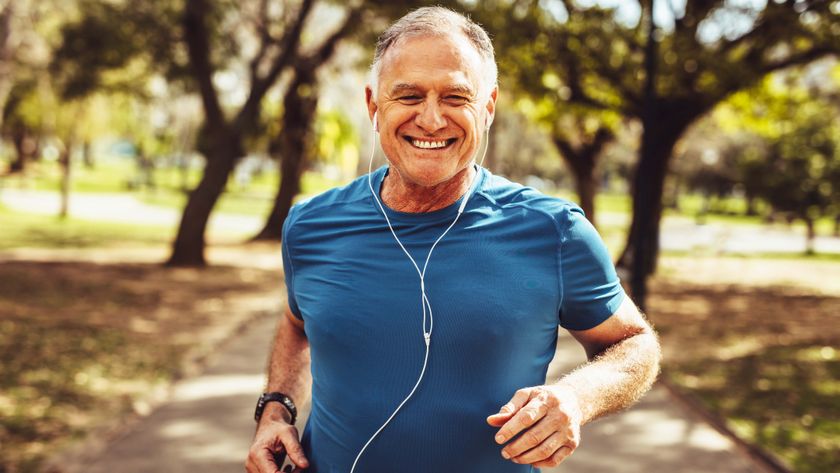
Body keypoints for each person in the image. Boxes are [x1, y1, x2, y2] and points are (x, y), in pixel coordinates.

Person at [246, 6, 660, 473]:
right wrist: (275, 410)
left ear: (487, 108)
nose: (430, 119)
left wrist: (576, 397)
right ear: (373, 105)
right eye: (408, 95)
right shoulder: (310, 226)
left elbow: (635, 344)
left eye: (455, 97)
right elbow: (297, 323)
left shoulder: (554, 231)